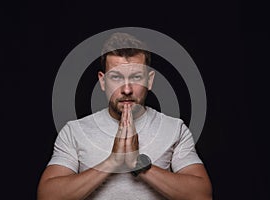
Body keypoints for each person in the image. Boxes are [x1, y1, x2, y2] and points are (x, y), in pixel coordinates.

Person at [37, 32, 212, 200]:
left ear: (149, 80)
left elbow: (201, 195)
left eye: (136, 77)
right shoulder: (74, 131)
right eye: (116, 77)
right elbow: (47, 196)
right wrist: (113, 162)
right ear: (102, 81)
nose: (127, 89)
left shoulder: (174, 129)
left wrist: (138, 164)